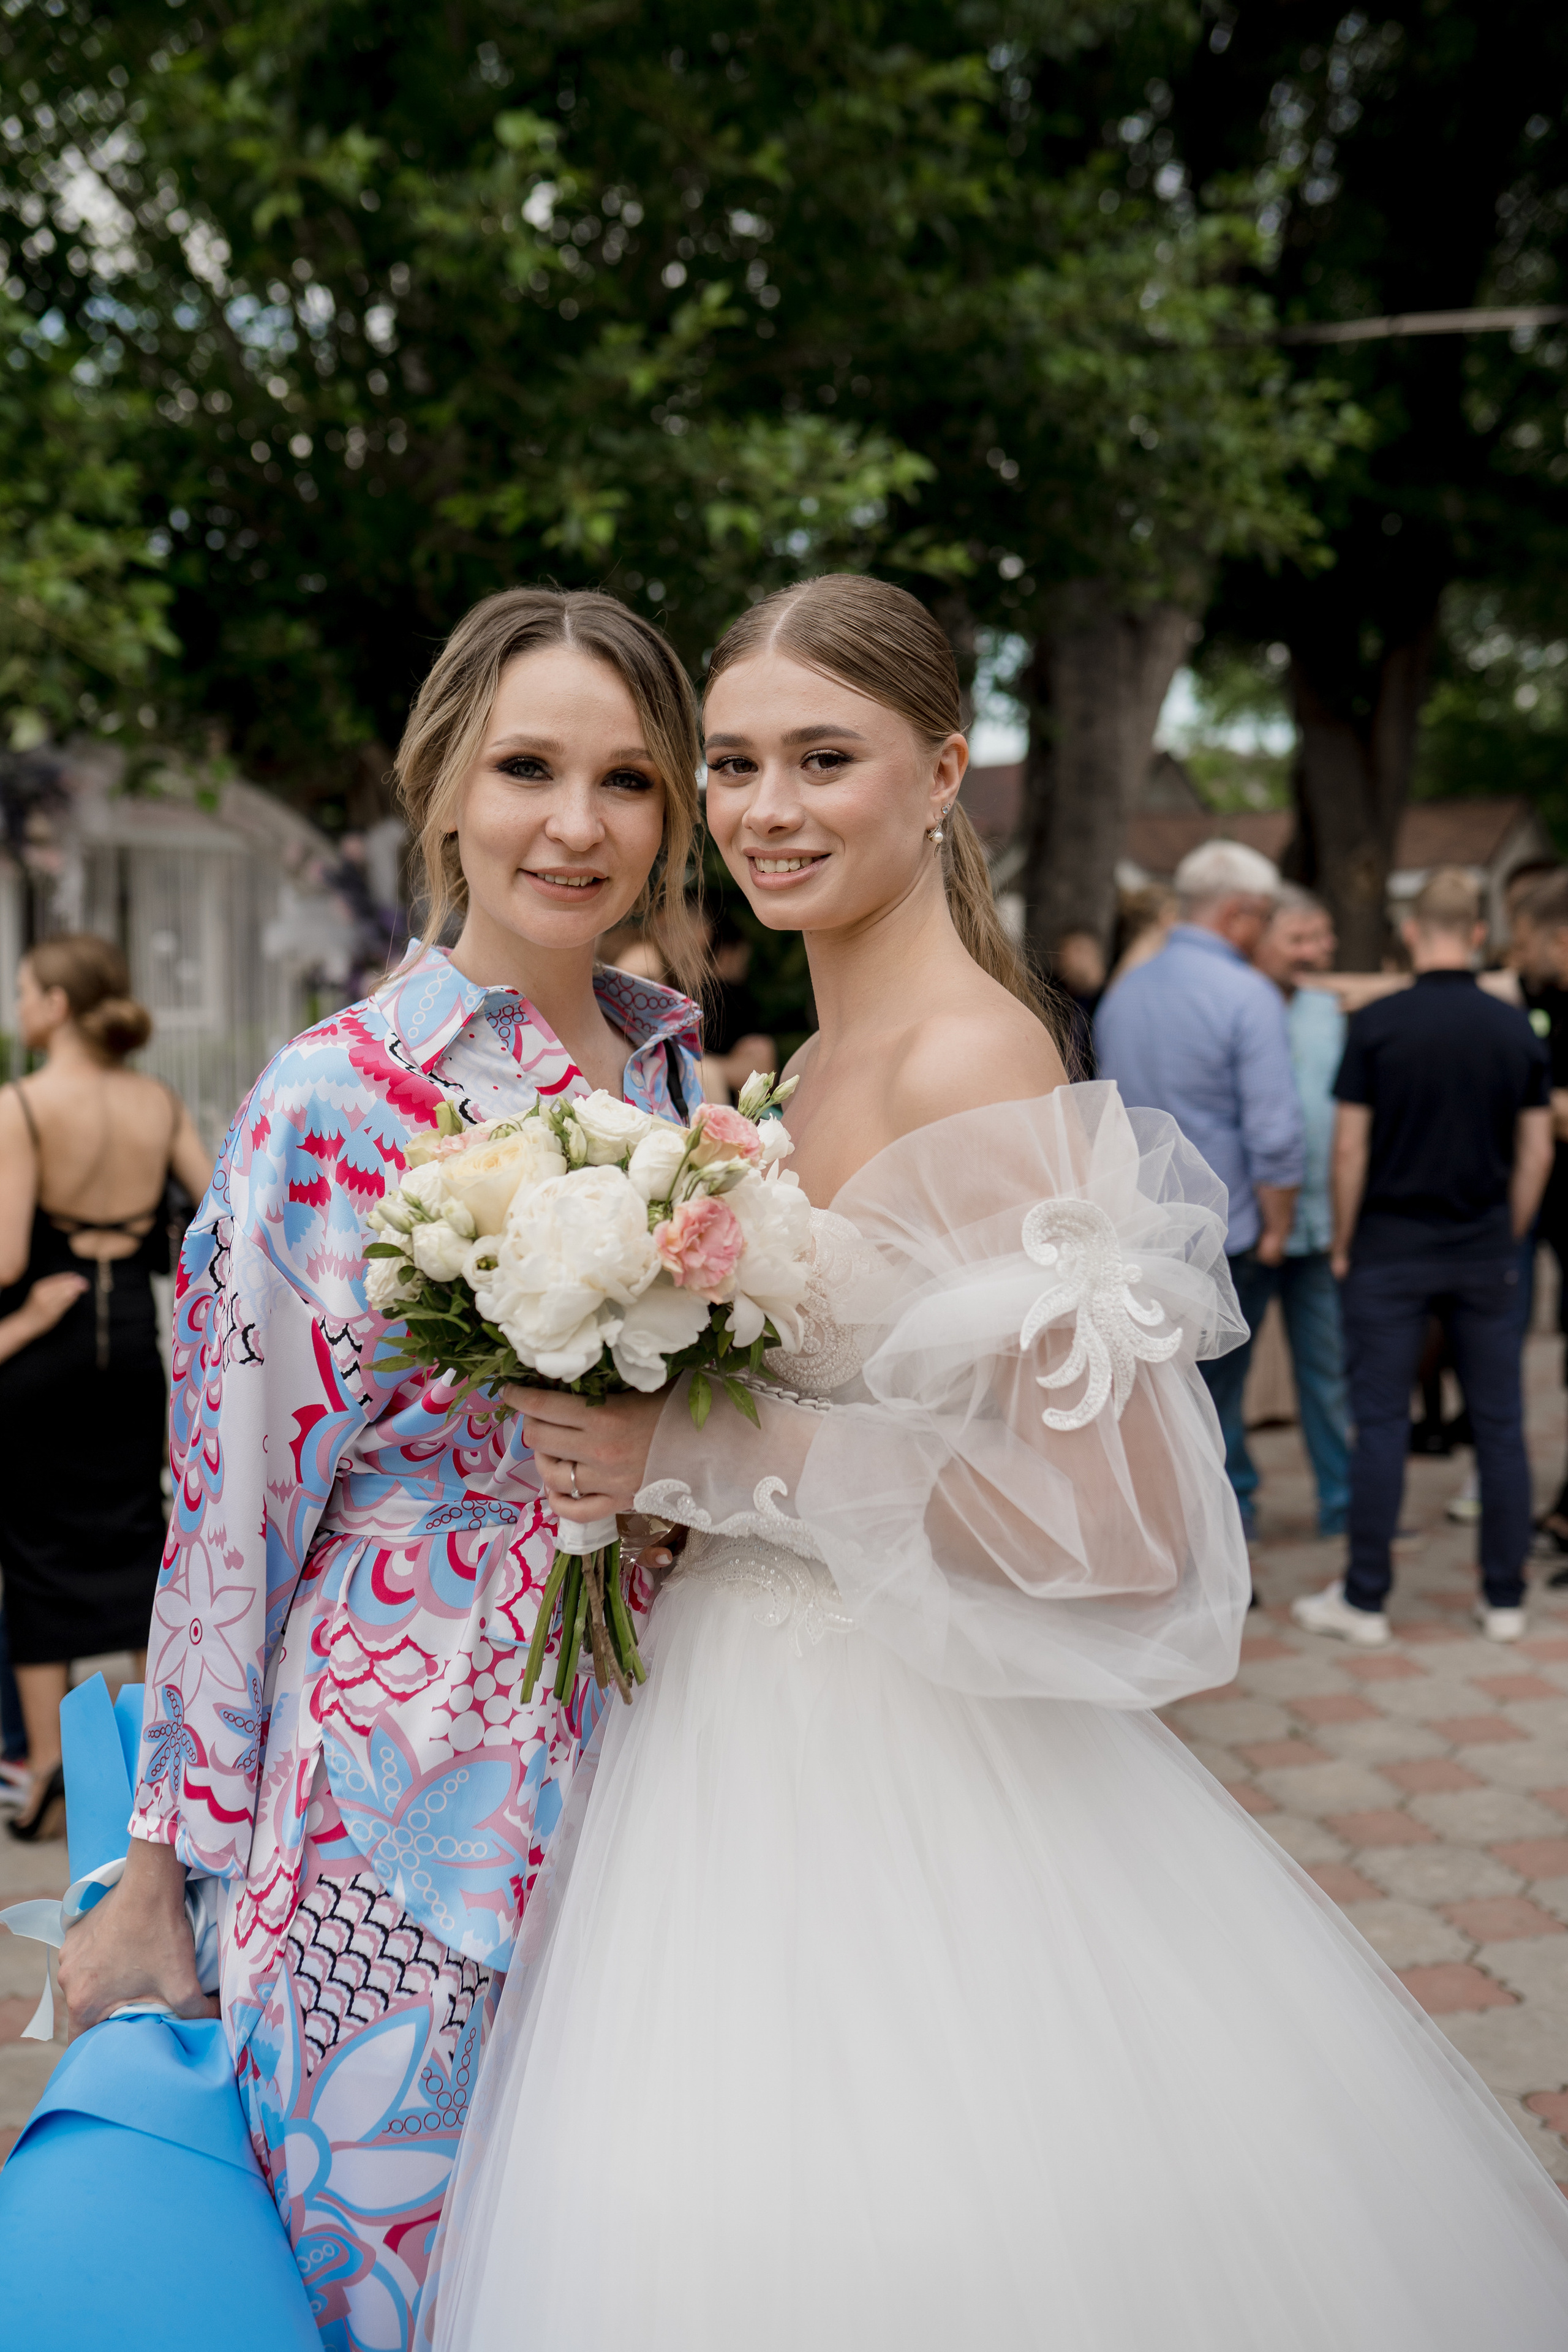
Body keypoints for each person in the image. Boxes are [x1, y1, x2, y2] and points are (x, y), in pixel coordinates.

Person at [430, 576, 1568, 2352]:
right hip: (734, 1733)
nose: (764, 808)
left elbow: (1099, 1521)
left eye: (827, 757)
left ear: (945, 771)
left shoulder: (969, 1058)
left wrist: (704, 1447)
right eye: (730, 762)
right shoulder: (809, 1060)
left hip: (890, 1760)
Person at [56, 589, 707, 2351]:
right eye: (527, 768)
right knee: (392, 2271)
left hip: (669, 1759)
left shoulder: (682, 1076)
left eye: (629, 780)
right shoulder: (330, 1102)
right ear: (442, 793)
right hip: (394, 1804)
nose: (578, 825)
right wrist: (150, 1868)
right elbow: (229, 1514)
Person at [1294, 869, 1553, 1649]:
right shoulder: (1515, 1030)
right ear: (1477, 934)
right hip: (1482, 1252)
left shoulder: (1377, 1025)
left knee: (1379, 1424)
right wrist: (1505, 1232)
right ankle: (1504, 1599)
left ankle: (1364, 1601)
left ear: (1411, 933)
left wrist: (1342, 1239)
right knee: (1501, 1427)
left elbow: (1348, 1147)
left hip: (1387, 1251)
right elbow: (1535, 1150)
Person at [0, 936, 211, 1841]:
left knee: (36, 1551)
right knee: (138, 1535)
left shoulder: (23, 1105)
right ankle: (146, 1767)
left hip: (43, 1352)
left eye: (22, 990)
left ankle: (49, 1772)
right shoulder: (157, 1101)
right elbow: (214, 1218)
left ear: (55, 1004)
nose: (18, 1005)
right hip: (132, 1346)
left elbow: (8, 1256)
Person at [1095, 839, 1303, 1539]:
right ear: (1240, 913)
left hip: (1140, 1229)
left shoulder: (1128, 992)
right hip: (1227, 1233)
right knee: (1217, 1398)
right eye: (1267, 916)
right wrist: (1277, 1229)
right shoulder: (1248, 995)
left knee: (1163, 1398)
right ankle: (1220, 1539)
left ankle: (1167, 1529)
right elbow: (1274, 1133)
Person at [1251, 890, 1352, 1536]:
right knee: (1223, 1385)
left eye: (1323, 937)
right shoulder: (1234, 1003)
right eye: (1299, 939)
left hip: (1321, 1225)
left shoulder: (1328, 1011)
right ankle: (1235, 1506)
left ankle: (1343, 1506)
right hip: (1252, 1228)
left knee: (1330, 1372)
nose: (1316, 952)